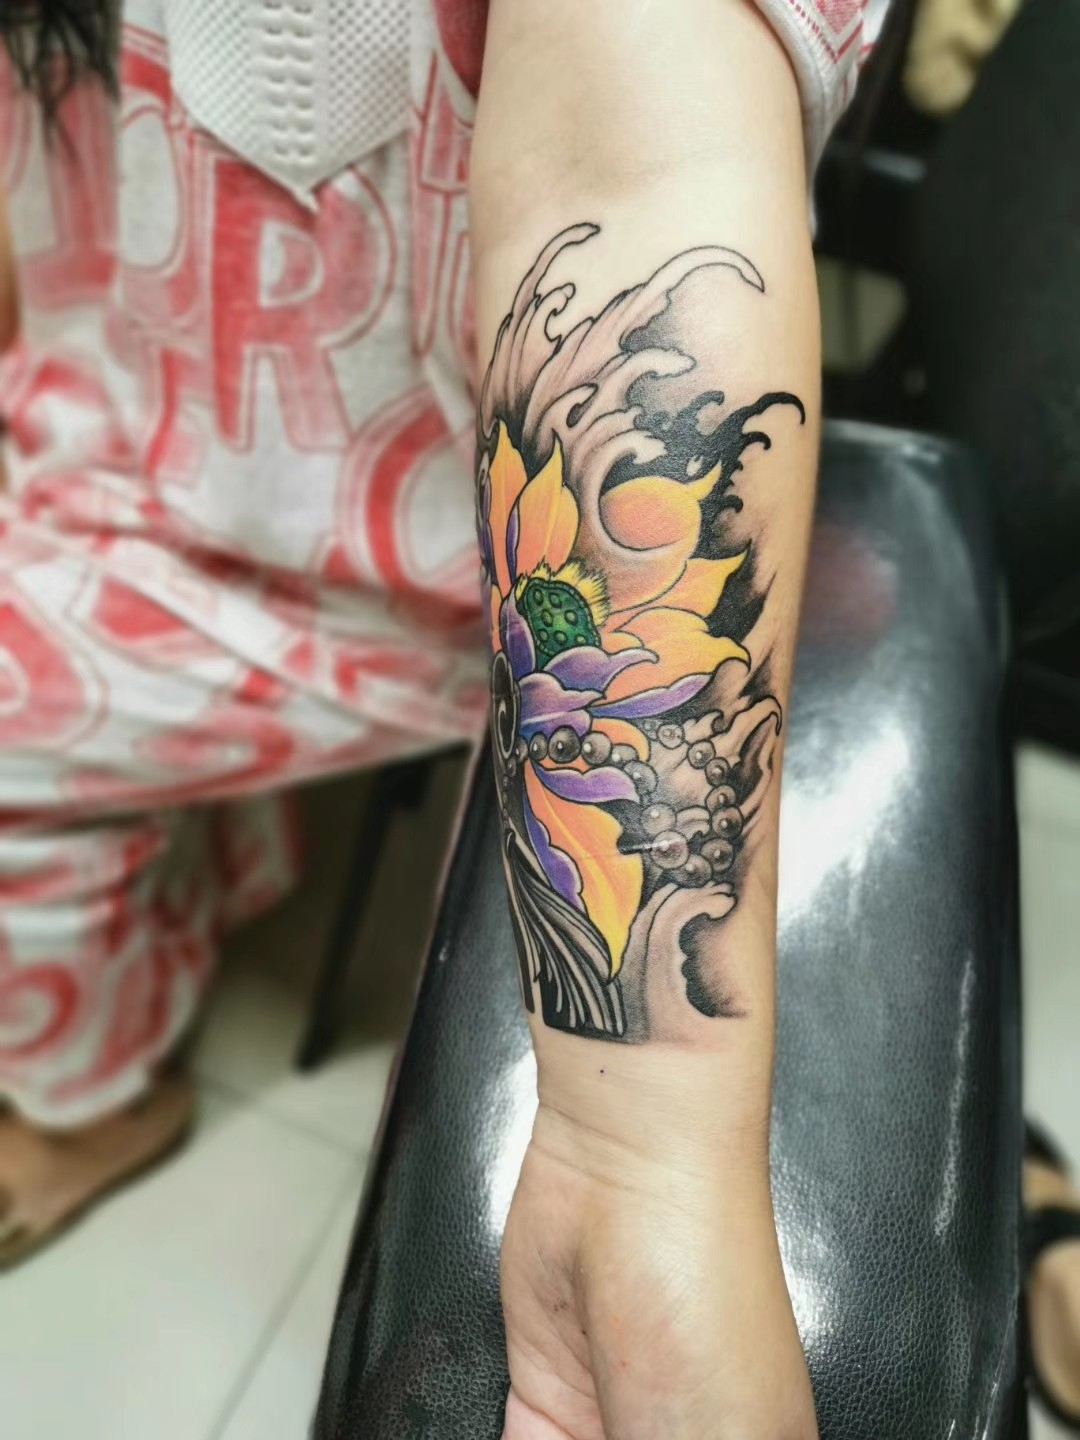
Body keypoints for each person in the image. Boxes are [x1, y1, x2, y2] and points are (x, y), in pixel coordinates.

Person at [0, 1, 914, 1436]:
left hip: (440, 565)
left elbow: (637, 186)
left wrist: (641, 1148)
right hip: (112, 434)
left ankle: (99, 1086)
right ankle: (173, 924)